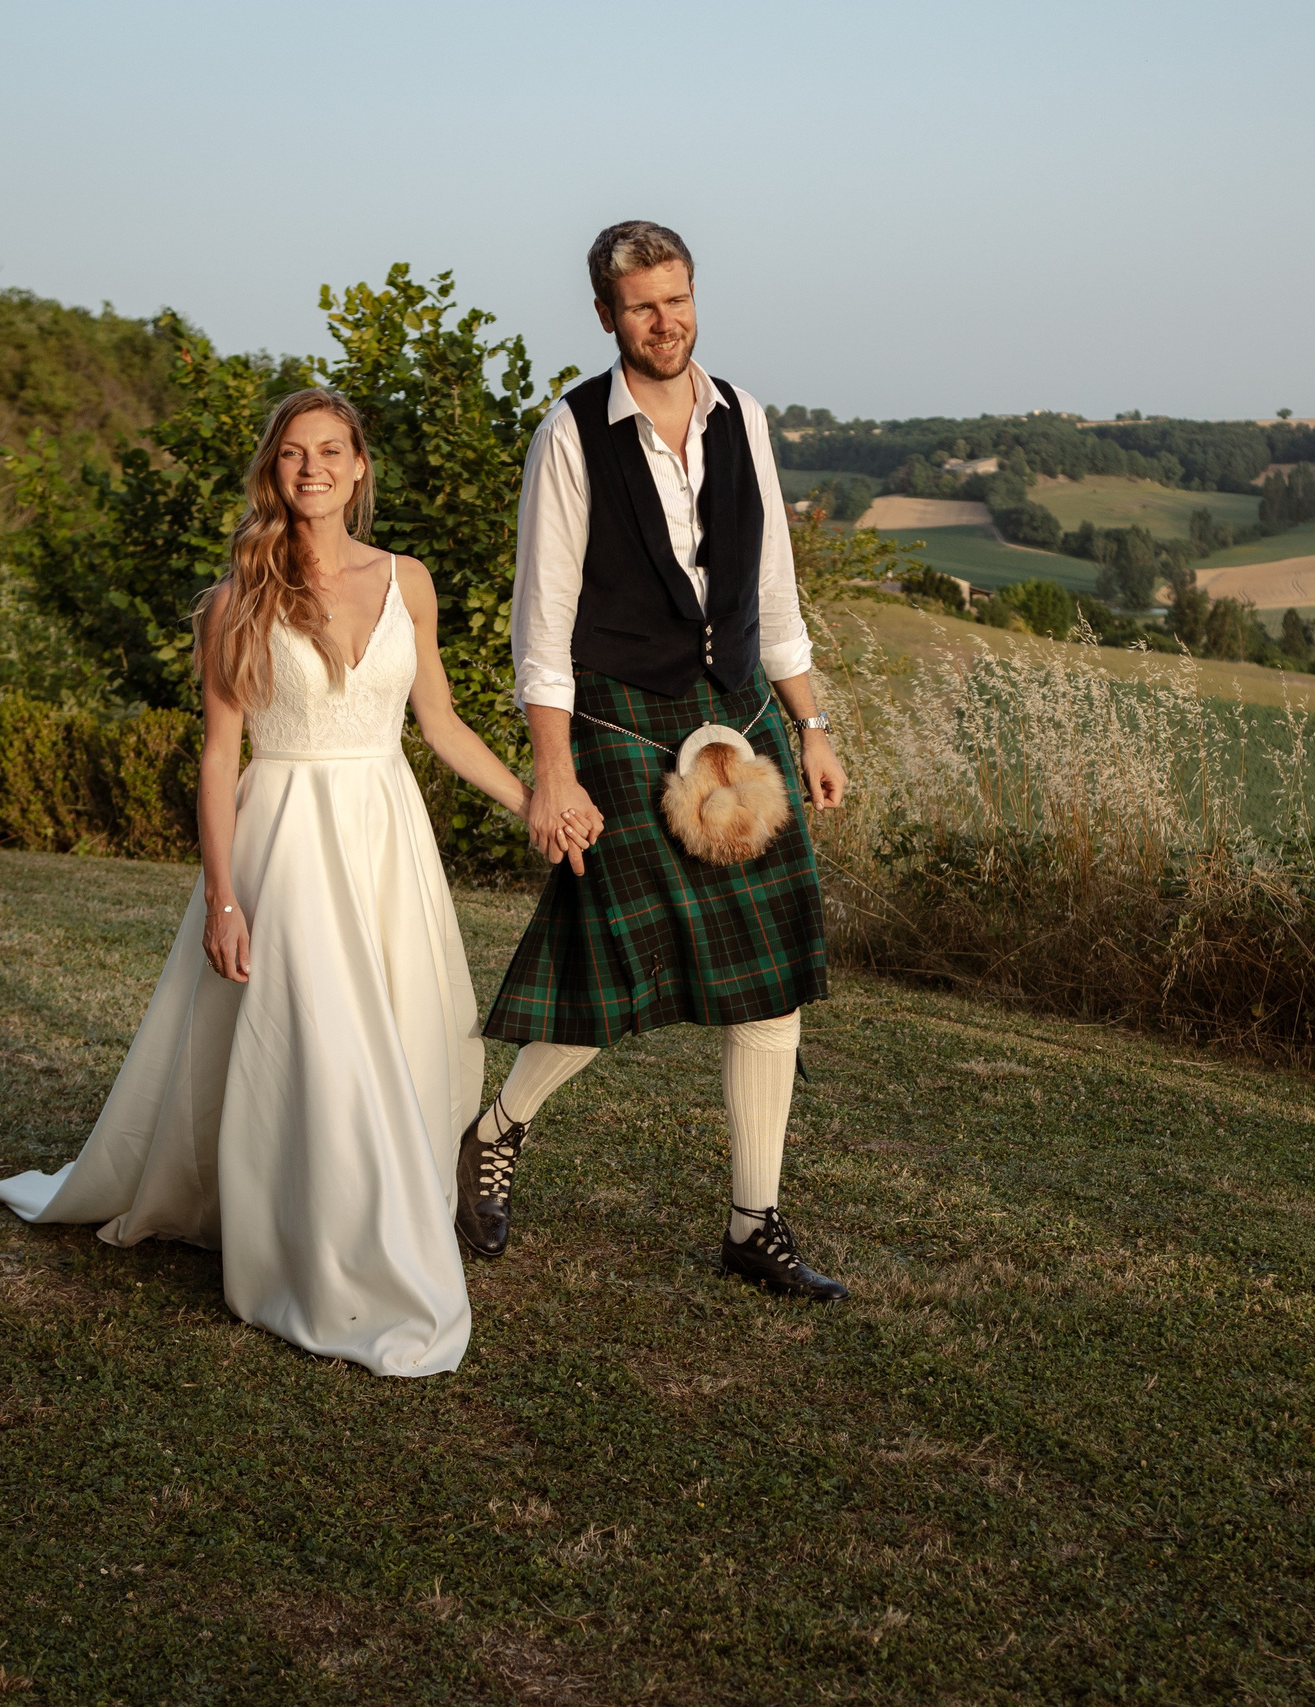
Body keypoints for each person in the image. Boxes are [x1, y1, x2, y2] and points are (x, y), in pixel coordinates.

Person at [0, 388, 587, 1376]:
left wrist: (532, 800)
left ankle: (363, 1212)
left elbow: (442, 723)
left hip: (385, 837)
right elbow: (218, 758)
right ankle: (329, 1254)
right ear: (273, 469)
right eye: (293, 454)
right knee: (322, 1046)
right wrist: (222, 897)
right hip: (285, 842)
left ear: (359, 466)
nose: (313, 469)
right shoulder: (232, 602)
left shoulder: (407, 581)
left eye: (331, 451)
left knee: (406, 1033)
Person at [464, 220, 851, 1302]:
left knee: (769, 987)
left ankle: (751, 1222)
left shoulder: (744, 418)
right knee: (613, 970)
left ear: (694, 296)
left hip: (739, 725)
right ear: (604, 315)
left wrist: (809, 723)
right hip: (623, 723)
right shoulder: (573, 434)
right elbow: (540, 628)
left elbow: (772, 593)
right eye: (640, 306)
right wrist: (553, 772)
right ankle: (495, 1131)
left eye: (676, 299)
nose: (664, 321)